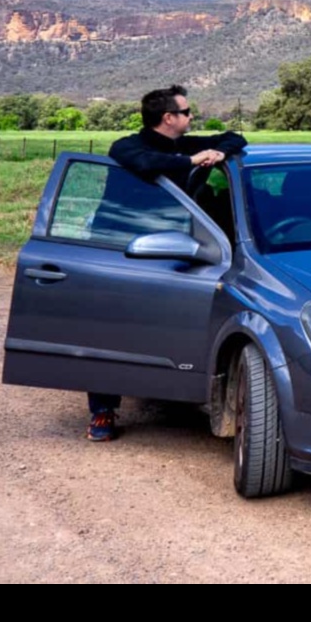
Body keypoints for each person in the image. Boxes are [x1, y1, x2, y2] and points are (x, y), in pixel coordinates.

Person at [86, 85, 249, 442]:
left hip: (170, 249)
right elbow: (146, 165)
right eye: (187, 112)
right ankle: (102, 411)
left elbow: (235, 137)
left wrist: (217, 153)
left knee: (165, 321)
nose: (193, 117)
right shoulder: (127, 147)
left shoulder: (181, 144)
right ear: (168, 118)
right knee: (111, 329)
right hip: (121, 249)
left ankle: (171, 384)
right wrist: (192, 161)